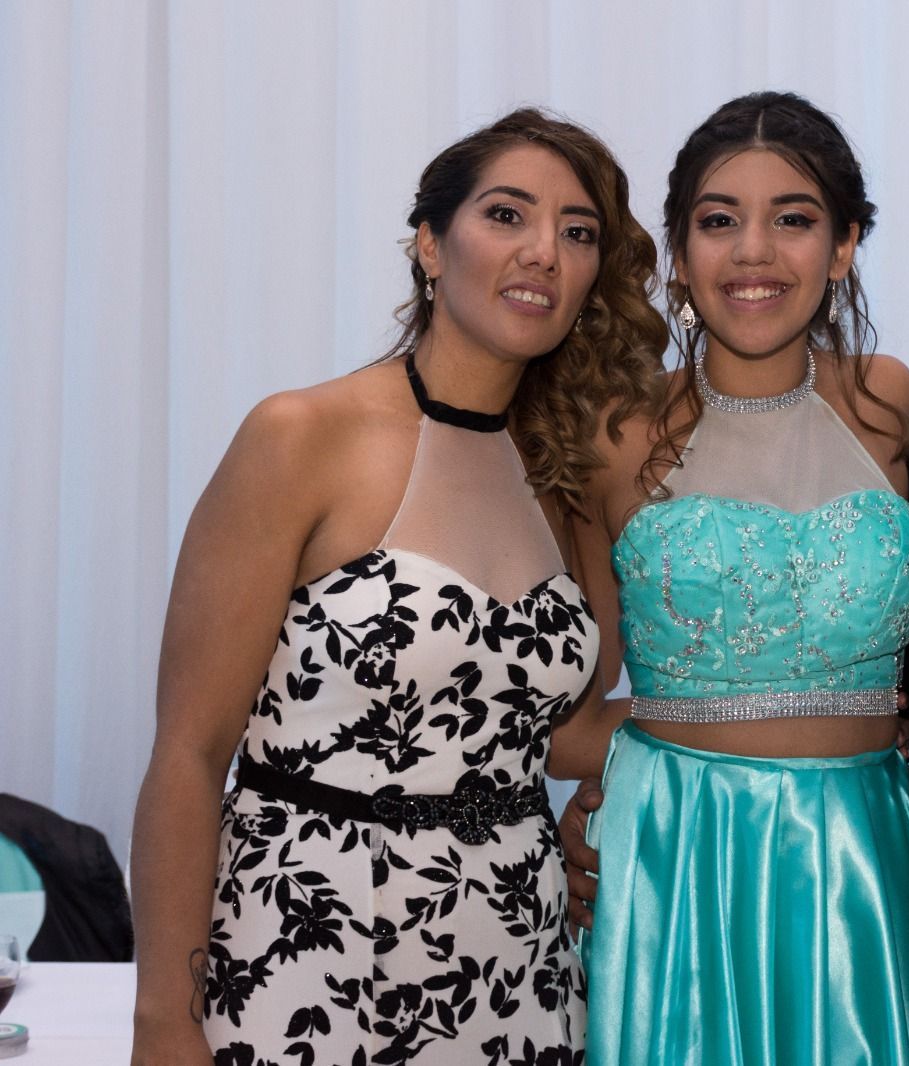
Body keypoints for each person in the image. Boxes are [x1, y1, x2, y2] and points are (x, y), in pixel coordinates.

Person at [128, 107, 667, 1065]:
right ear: (429, 244)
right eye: (507, 215)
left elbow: (563, 735)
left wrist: (803, 712)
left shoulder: (563, 477)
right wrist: (163, 1020)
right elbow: (189, 752)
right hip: (307, 953)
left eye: (578, 232)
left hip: (517, 965)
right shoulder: (300, 436)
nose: (544, 251)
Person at [554, 91, 909, 1065]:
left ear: (844, 246)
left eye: (793, 219)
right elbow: (561, 712)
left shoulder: (888, 402)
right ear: (680, 256)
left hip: (859, 856)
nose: (753, 251)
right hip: (675, 855)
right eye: (719, 221)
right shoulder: (616, 434)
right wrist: (626, 783)